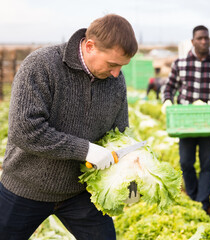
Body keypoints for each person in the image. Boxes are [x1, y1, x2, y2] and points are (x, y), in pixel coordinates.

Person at [0, 14, 138, 239]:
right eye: (112, 64)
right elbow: (24, 131)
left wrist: (131, 179)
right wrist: (85, 150)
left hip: (79, 193)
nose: (116, 73)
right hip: (25, 187)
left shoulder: (115, 80)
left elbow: (119, 134)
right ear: (90, 46)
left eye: (121, 66)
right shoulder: (41, 65)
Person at [161, 25, 210, 213]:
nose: (204, 41)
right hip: (185, 122)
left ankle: (202, 202)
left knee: (206, 163)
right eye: (200, 38)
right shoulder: (180, 64)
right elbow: (169, 87)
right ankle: (194, 195)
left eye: (206, 38)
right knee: (186, 162)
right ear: (193, 41)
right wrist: (167, 101)